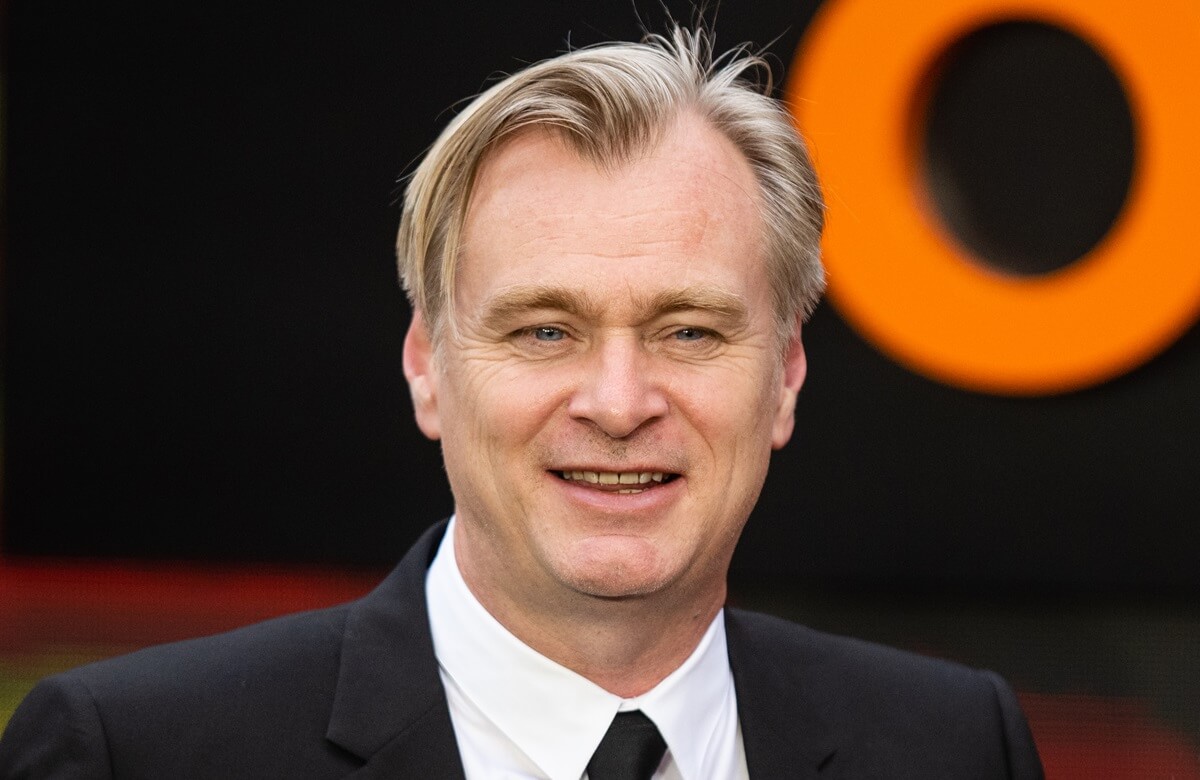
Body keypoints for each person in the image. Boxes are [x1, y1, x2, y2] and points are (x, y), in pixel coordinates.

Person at [0, 26, 1043, 779]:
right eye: (545, 330)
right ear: (426, 368)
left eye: (689, 330)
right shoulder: (135, 754)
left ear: (784, 378)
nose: (620, 400)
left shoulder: (954, 745)